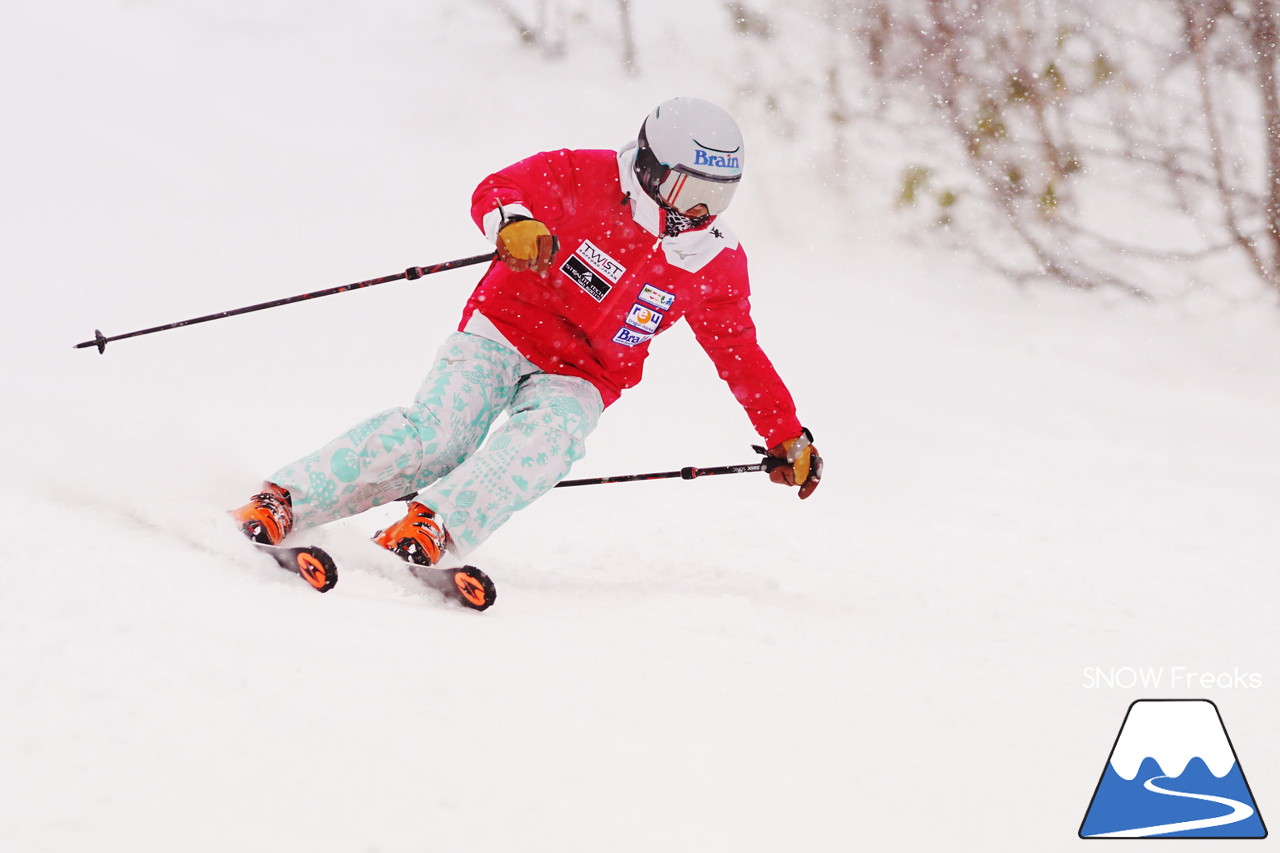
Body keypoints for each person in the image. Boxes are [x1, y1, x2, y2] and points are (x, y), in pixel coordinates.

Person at [231, 96, 822, 569]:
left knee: (551, 440)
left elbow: (738, 352)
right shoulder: (584, 176)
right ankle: (286, 498)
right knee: (442, 434)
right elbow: (499, 188)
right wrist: (513, 221)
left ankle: (434, 524)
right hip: (505, 330)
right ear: (649, 167)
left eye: (717, 196)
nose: (699, 212)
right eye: (688, 192)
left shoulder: (712, 259)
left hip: (585, 374)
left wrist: (786, 434)